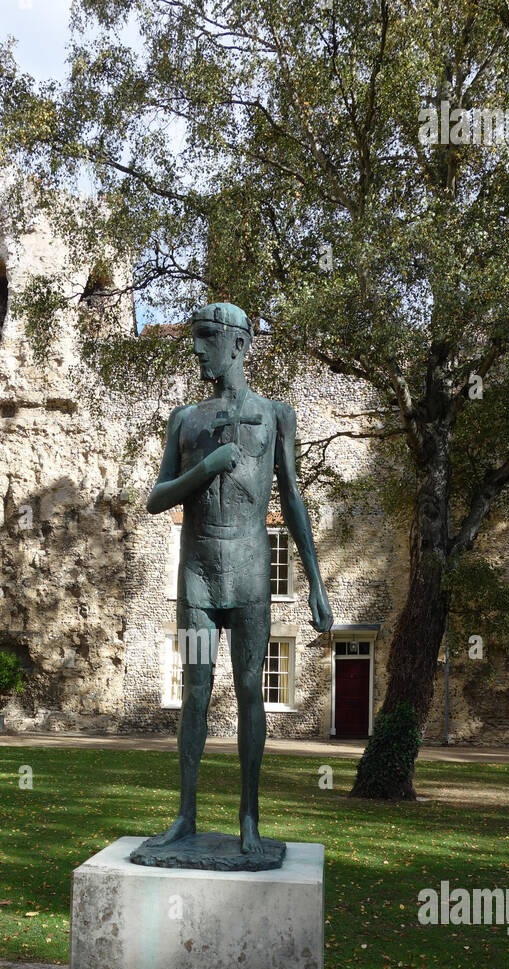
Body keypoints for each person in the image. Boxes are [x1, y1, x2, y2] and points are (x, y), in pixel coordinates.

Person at [146, 302, 334, 857]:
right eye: (195, 338)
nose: (197, 350)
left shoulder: (275, 414)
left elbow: (294, 499)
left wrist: (315, 581)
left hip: (252, 574)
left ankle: (249, 817)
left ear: (239, 344)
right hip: (199, 575)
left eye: (205, 339)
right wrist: (204, 468)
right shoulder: (186, 419)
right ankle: (185, 815)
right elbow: (157, 499)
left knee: (252, 690)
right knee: (196, 692)